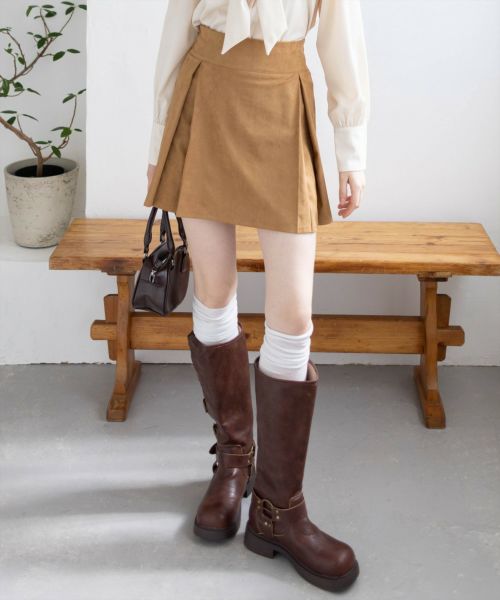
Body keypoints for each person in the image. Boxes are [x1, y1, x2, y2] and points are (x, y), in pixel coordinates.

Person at [144, 0, 370, 592]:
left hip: (281, 98)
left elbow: (343, 38)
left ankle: (277, 510)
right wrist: (158, 140)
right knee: (214, 292)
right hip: (205, 95)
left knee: (293, 316)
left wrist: (351, 150)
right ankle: (233, 461)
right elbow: (177, 26)